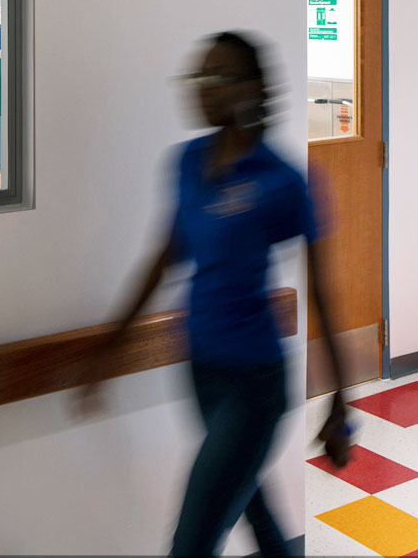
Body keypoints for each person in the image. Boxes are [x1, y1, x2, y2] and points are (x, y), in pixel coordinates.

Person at [77, 31, 350, 557]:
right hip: (201, 370)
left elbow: (323, 293)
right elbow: (163, 259)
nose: (197, 88)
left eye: (212, 77)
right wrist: (107, 349)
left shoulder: (285, 181)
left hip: (255, 386)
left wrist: (340, 400)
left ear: (248, 87)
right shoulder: (185, 163)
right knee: (257, 512)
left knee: (193, 541)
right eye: (195, 76)